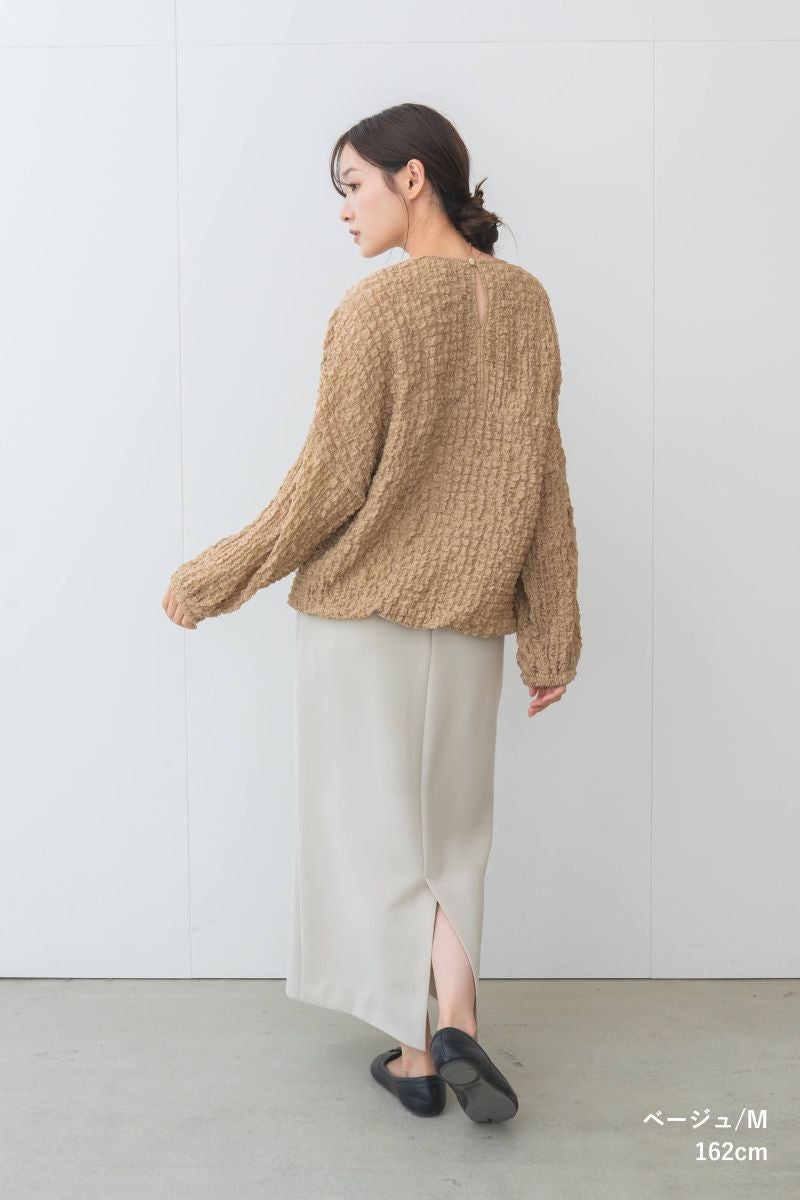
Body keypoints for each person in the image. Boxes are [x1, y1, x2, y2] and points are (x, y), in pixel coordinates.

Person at [162, 102, 581, 1123]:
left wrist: (212, 578)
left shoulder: (376, 309)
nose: (344, 210)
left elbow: (325, 488)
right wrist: (550, 633)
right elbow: (543, 478)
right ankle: (441, 1036)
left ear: (412, 177)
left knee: (376, 843)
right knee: (452, 839)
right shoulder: (526, 304)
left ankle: (436, 1042)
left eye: (352, 185)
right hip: (471, 626)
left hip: (362, 623)